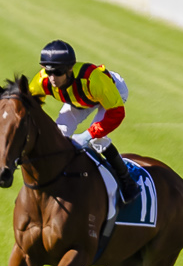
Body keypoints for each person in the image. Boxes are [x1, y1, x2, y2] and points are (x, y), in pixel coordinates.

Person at [29, 38, 134, 204]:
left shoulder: (94, 80)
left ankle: (127, 182)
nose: (52, 78)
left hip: (111, 93)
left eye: (57, 72)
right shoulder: (42, 81)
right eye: (48, 72)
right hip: (80, 98)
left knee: (94, 140)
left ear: (69, 69)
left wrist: (88, 135)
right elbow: (28, 104)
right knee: (59, 134)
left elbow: (117, 114)